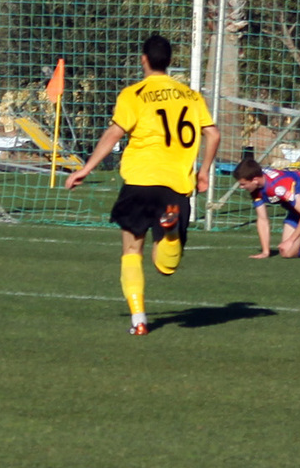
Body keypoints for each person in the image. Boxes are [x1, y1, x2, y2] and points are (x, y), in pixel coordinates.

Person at [64, 35, 221, 335]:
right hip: (176, 185)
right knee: (166, 266)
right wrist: (203, 172)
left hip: (139, 181)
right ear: (170, 61)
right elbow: (213, 134)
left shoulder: (133, 94)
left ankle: (139, 320)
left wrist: (86, 168)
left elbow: (114, 133)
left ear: (143, 59)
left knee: (131, 250)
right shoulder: (191, 96)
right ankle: (170, 234)